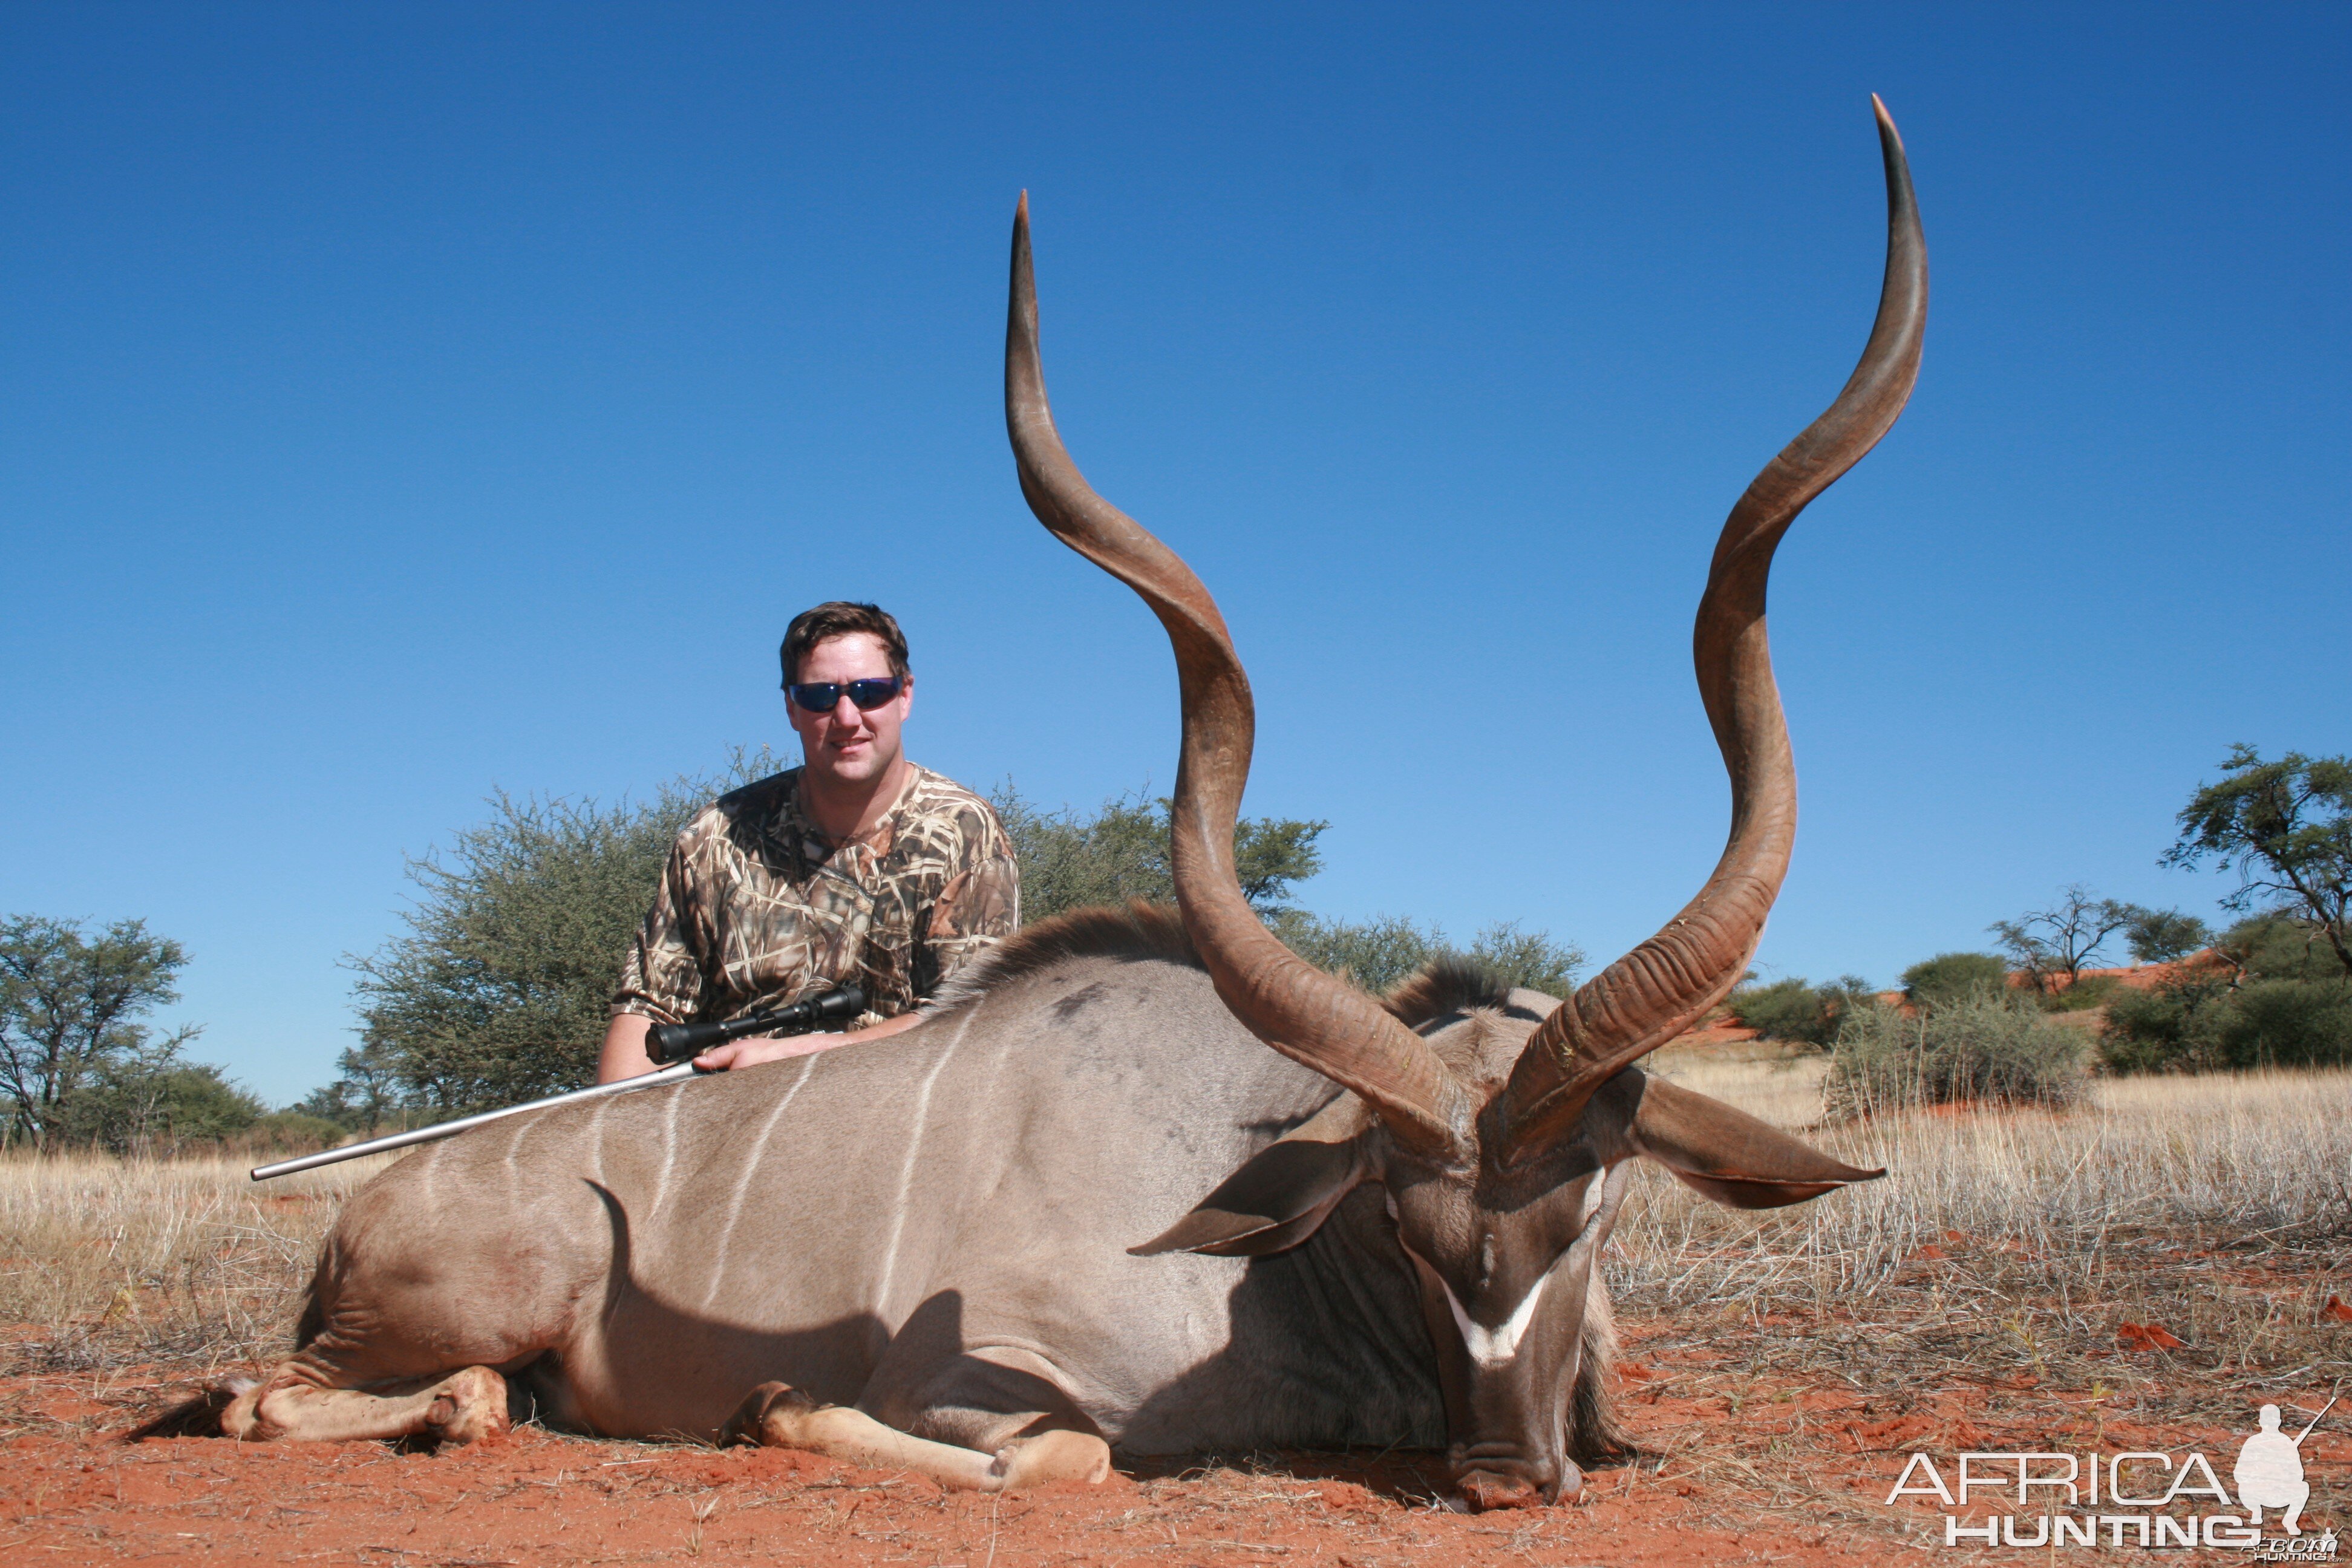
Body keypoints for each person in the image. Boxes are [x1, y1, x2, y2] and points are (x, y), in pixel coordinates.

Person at [596, 601, 1019, 1083]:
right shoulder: (716, 833)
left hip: (893, 1109)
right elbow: (648, 1008)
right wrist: (609, 1138)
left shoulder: (965, 829)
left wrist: (811, 1055)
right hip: (724, 1110)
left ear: (904, 696)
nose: (846, 717)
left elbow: (968, 1019)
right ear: (792, 707)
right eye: (819, 696)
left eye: (870, 692)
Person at [2232, 1403, 2310, 1534]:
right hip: (2257, 1493)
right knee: (2243, 1486)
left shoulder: (2286, 1442)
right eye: (2267, 1421)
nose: (2269, 1424)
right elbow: (2239, 1474)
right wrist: (2259, 1475)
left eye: (2272, 1421)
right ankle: (2256, 1511)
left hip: (2280, 1492)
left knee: (2304, 1487)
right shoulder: (2253, 1442)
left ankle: (2290, 1520)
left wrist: (2281, 1474)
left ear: (2279, 1422)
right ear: (2261, 1422)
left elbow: (2299, 1474)